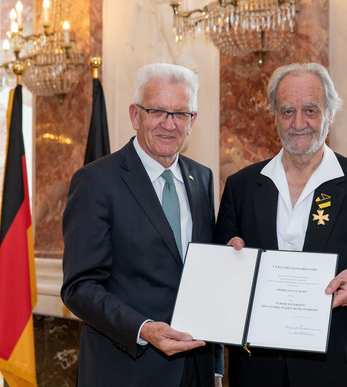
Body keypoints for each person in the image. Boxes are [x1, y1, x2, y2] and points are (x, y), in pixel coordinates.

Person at [214, 63, 347, 386]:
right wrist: (227, 261)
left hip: (341, 370)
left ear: (330, 113)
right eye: (287, 111)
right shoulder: (242, 186)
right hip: (259, 371)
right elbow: (221, 275)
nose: (298, 123)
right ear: (274, 116)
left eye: (310, 110)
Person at [61, 63, 221, 386]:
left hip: (195, 371)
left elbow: (206, 279)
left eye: (180, 114)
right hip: (125, 370)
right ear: (135, 115)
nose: (169, 124)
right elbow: (79, 287)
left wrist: (216, 369)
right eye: (157, 111)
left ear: (193, 122)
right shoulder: (96, 182)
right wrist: (144, 328)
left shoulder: (201, 178)